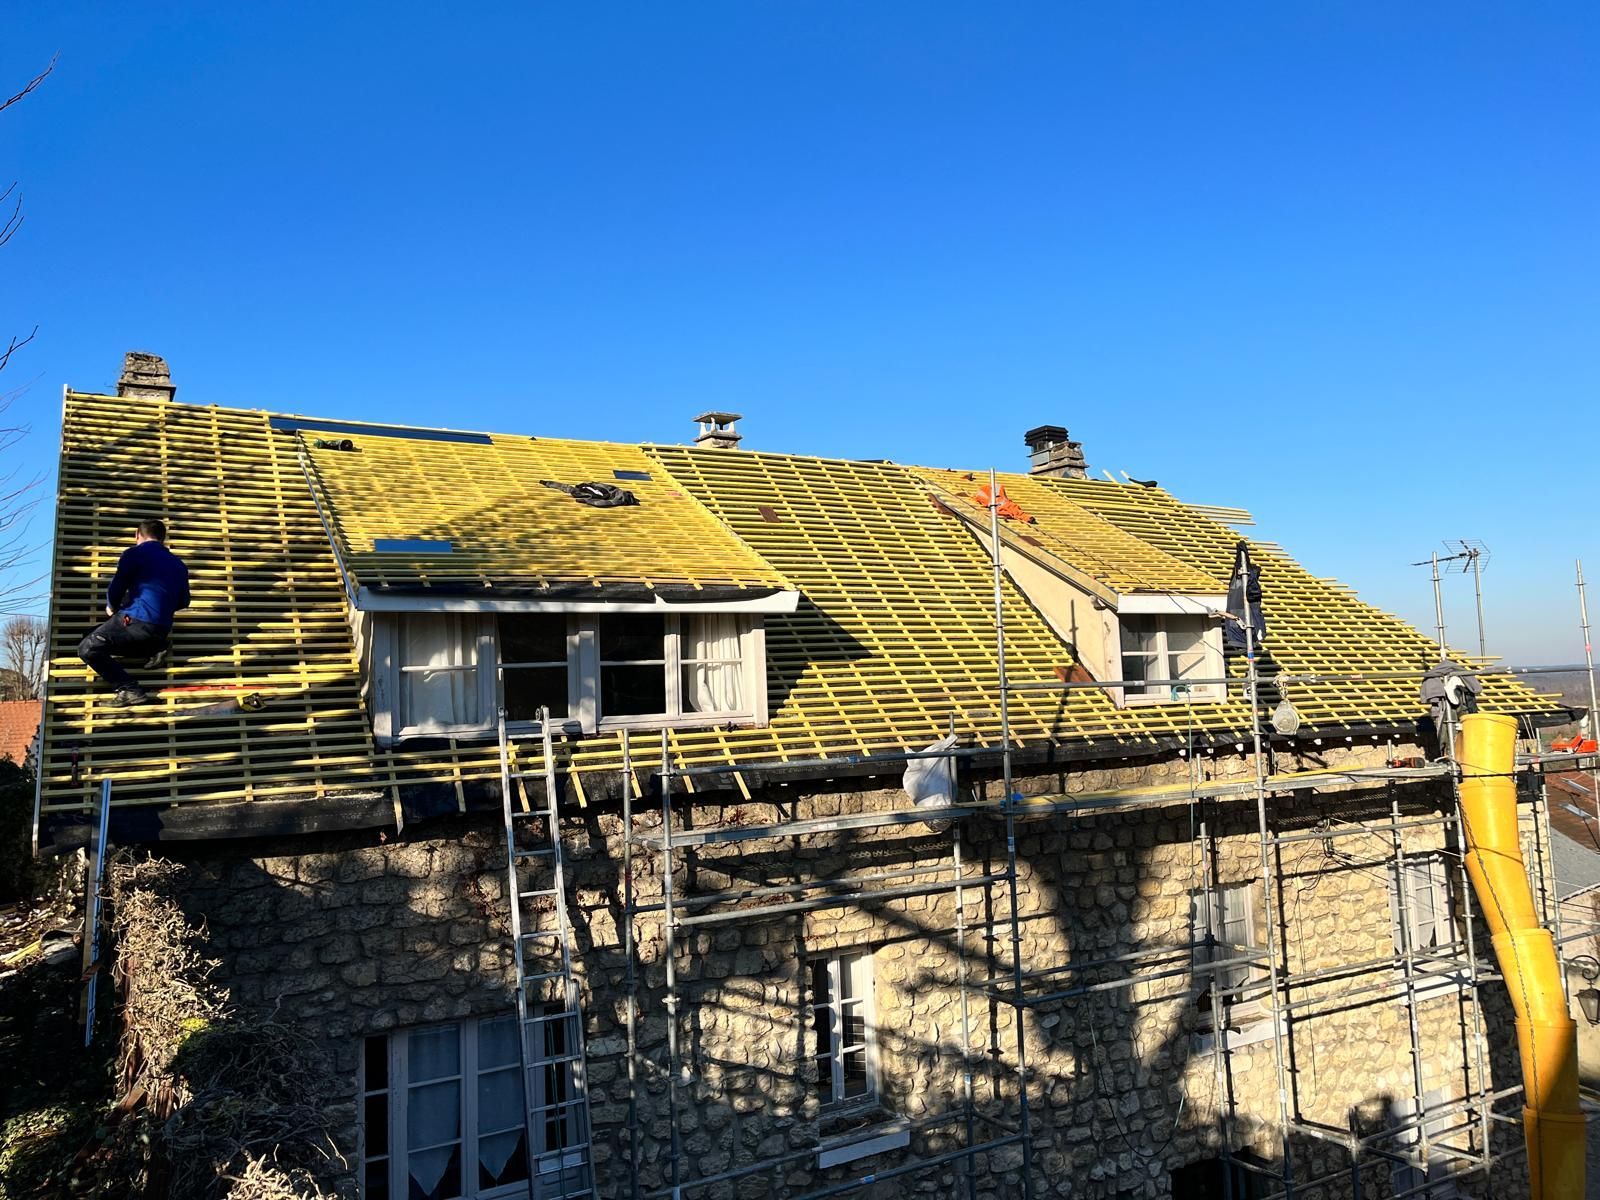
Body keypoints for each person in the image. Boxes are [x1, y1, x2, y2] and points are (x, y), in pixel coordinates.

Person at [78, 518, 191, 706]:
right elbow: (184, 601)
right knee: (92, 635)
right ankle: (156, 647)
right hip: (160, 629)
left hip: (136, 621)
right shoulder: (179, 564)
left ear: (137, 535)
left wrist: (112, 606)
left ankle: (129, 689)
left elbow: (117, 587)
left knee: (87, 648)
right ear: (162, 538)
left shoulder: (133, 554)